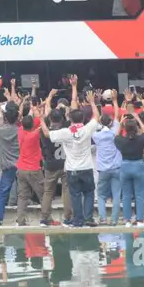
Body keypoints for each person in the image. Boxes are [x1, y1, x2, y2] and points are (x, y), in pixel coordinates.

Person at [41, 91, 100, 228]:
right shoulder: (87, 129)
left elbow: (46, 133)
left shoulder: (66, 132)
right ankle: (89, 218)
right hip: (86, 167)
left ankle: (78, 220)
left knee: (75, 195)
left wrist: (40, 119)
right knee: (89, 193)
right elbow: (97, 117)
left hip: (72, 168)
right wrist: (92, 102)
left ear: (70, 119)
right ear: (83, 119)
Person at [114, 113, 144, 225]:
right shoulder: (140, 139)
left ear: (125, 129)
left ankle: (127, 219)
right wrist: (138, 119)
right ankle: (139, 219)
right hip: (138, 165)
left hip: (125, 166)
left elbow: (116, 136)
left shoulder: (121, 141)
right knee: (139, 194)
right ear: (136, 128)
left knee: (126, 195)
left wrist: (120, 124)